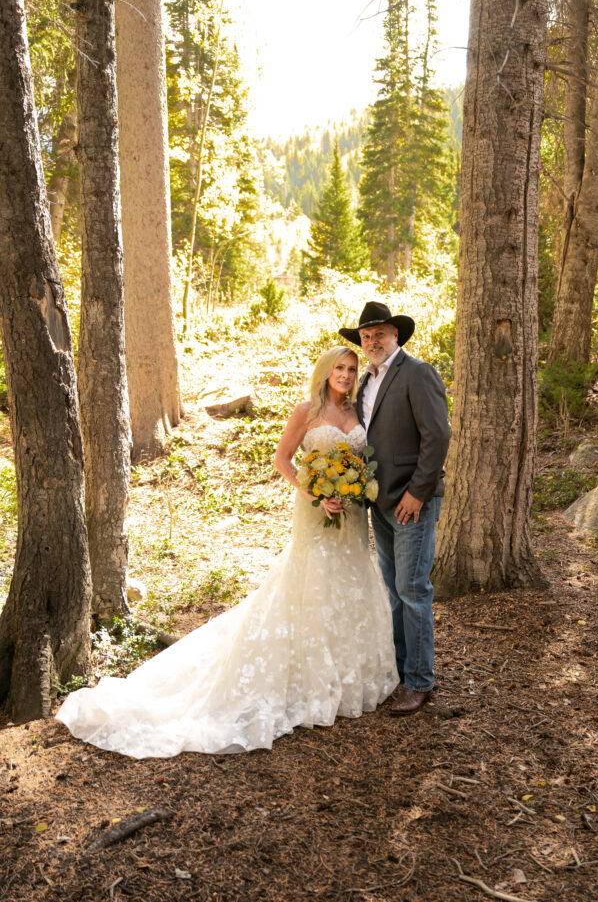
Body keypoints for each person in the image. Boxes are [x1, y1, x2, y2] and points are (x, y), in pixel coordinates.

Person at [56, 346, 398, 758]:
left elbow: (363, 459)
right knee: (313, 584)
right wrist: (316, 491)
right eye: (339, 368)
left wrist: (354, 485)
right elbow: (283, 459)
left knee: (351, 581)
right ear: (325, 372)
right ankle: (307, 677)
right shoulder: (307, 411)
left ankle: (345, 678)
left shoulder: (360, 412)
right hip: (316, 512)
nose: (345, 374)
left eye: (351, 369)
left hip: (353, 516)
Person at [339, 302, 450, 716]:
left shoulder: (417, 372)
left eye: (379, 334)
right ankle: (402, 672)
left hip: (412, 502)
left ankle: (420, 683)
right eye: (366, 336)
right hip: (379, 502)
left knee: (413, 590)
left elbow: (437, 436)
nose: (372, 341)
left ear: (395, 336)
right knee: (393, 591)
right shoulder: (366, 380)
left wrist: (418, 493)